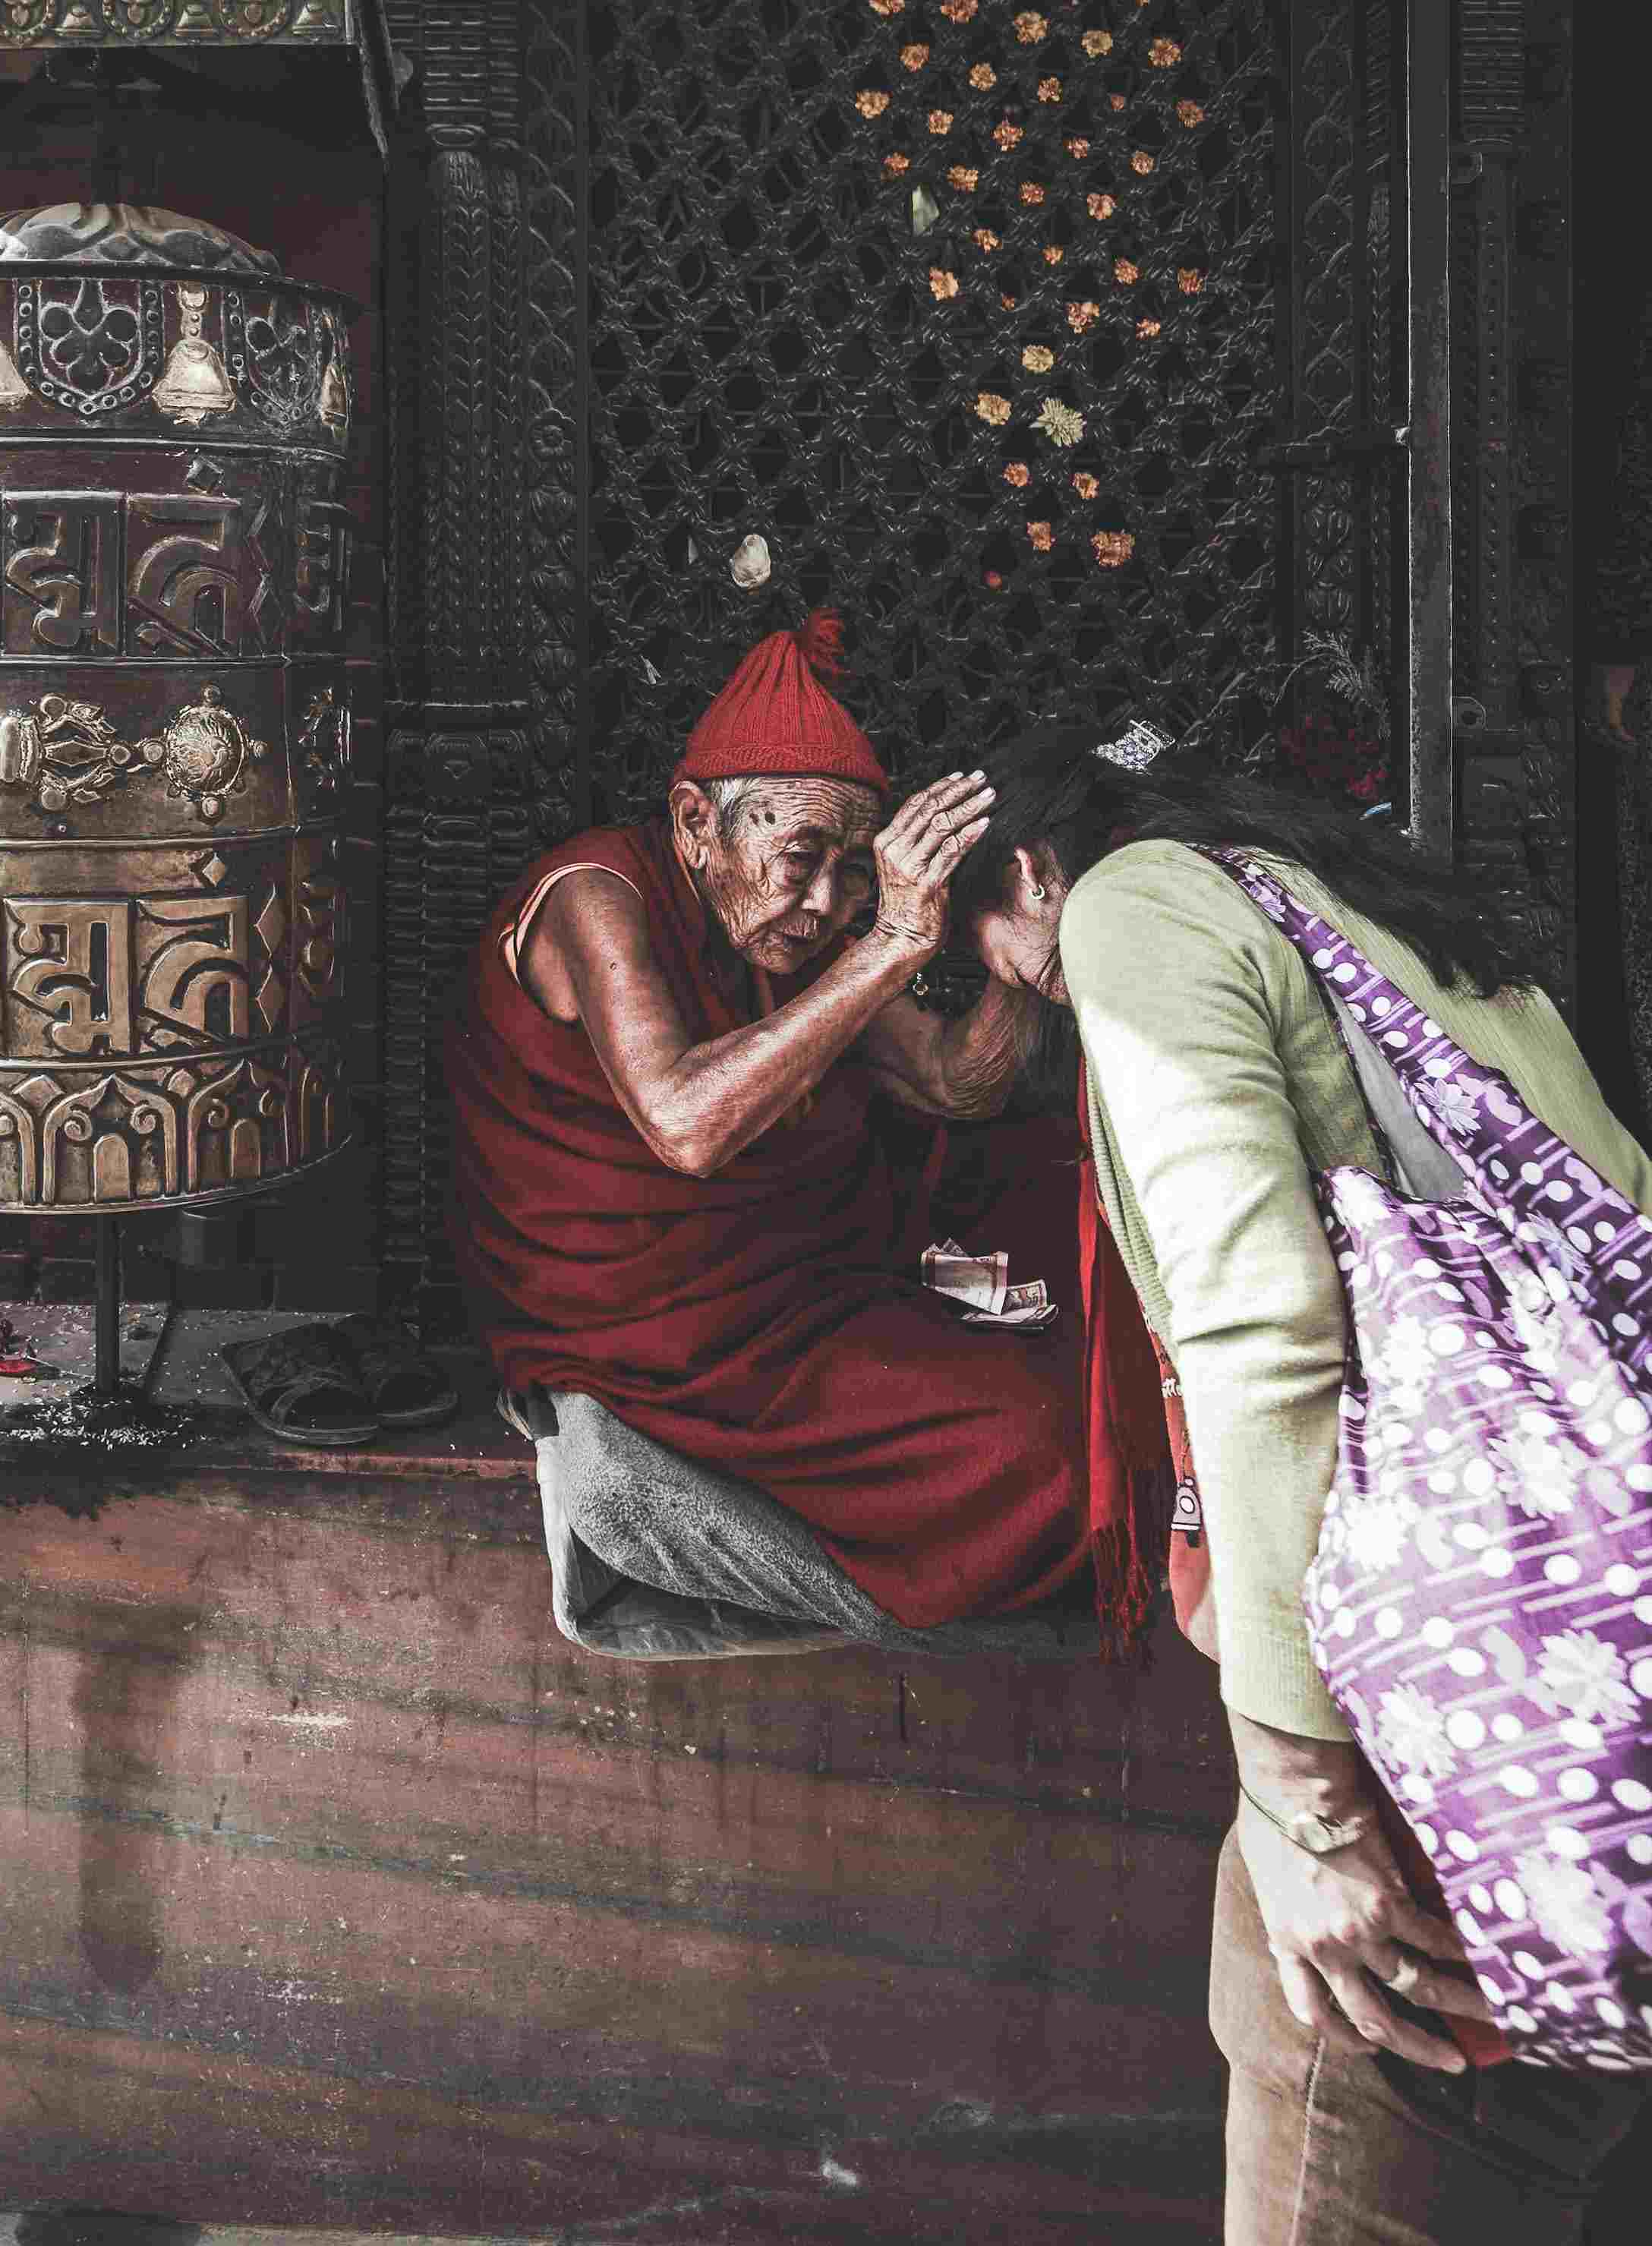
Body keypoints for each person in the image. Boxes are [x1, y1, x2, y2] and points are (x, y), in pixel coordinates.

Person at [950, 721, 1652, 2243]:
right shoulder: (1353, 897)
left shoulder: (1127, 905)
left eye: (982, 956)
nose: (1009, 1002)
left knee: (1342, 2118)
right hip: (1592, 1685)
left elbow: (1260, 1331)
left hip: (1435, 1732)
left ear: (1024, 872)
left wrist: (1301, 1802)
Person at [445, 616, 1102, 1632]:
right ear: (698, 821)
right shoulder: (594, 897)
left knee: (1067, 1210)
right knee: (1052, 1444)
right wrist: (887, 942)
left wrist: (1025, 945)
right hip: (664, 1329)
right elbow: (683, 1121)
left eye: (852, 871)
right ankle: (651, 1489)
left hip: (801, 1274)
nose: (823, 899)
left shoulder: (796, 931)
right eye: (801, 856)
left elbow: (952, 1082)